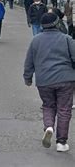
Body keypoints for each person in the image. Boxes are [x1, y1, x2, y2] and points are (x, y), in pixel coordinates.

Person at [23, 13, 75, 152]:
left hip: (44, 80)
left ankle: (49, 127)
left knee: (48, 106)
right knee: (64, 109)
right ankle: (61, 142)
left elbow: (29, 62)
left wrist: (27, 78)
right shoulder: (66, 39)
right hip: (66, 79)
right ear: (57, 24)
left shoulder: (36, 40)